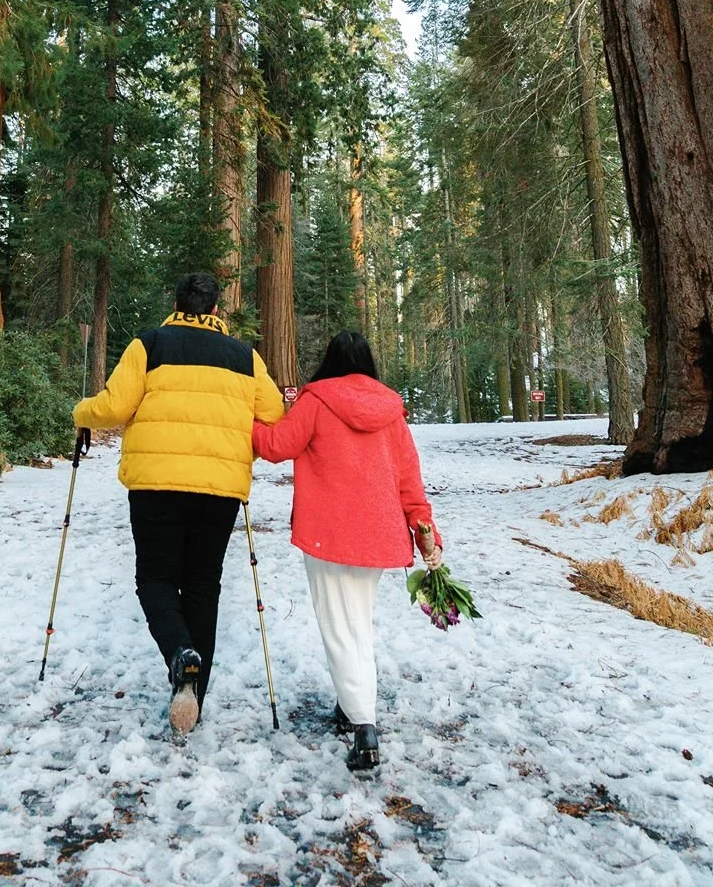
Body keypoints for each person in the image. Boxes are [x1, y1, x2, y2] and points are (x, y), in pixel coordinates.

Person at [73, 271, 285, 733]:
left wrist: (80, 412)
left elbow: (111, 408)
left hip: (155, 484)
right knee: (203, 585)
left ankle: (179, 654)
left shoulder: (149, 345)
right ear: (215, 310)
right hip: (219, 487)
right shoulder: (244, 356)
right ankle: (193, 696)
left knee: (155, 579)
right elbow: (272, 413)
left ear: (175, 304)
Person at [252, 329, 442, 772]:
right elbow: (409, 481)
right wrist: (425, 532)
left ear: (330, 360)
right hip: (379, 535)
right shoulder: (391, 410)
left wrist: (240, 419)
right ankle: (349, 704)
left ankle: (364, 727)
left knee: (340, 628)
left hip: (329, 535)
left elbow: (276, 446)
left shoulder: (316, 400)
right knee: (356, 622)